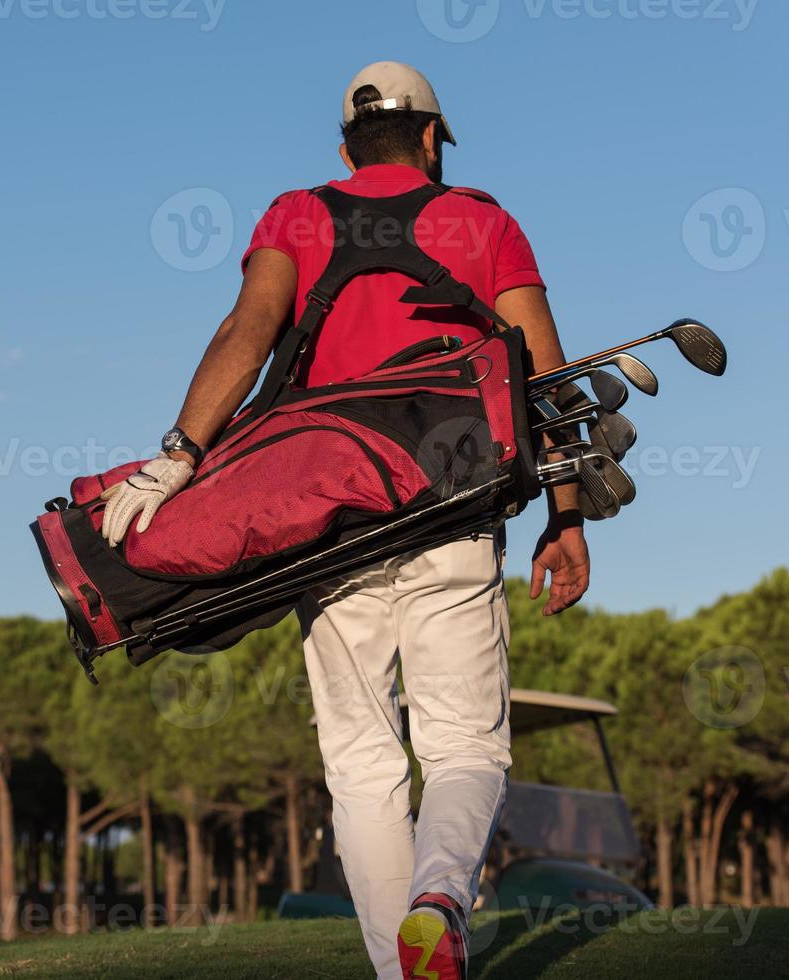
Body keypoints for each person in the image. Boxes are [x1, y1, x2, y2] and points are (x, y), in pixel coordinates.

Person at [101, 61, 590, 980]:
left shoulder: (297, 213)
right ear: (434, 140)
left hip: (327, 523)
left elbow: (244, 336)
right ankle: (440, 901)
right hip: (451, 504)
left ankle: (397, 971)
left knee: (362, 764)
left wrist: (176, 453)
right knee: (463, 745)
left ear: (343, 150)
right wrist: (565, 517)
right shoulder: (483, 220)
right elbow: (546, 377)